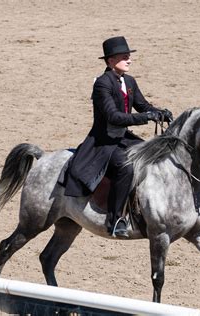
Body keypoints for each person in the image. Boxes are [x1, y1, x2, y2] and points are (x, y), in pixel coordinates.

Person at [63, 36, 172, 238]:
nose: (129, 60)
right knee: (126, 167)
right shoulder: (102, 84)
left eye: (129, 56)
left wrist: (160, 113)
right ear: (111, 61)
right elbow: (113, 116)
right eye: (124, 57)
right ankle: (115, 220)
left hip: (124, 138)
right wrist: (145, 117)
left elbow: (143, 105)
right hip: (103, 141)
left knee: (153, 157)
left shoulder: (129, 81)